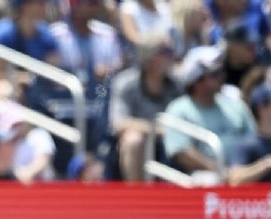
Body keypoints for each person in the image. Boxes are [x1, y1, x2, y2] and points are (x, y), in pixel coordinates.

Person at [164, 46, 255, 178]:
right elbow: (181, 152)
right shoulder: (178, 109)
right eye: (214, 74)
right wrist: (222, 173)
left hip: (244, 175)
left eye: (221, 71)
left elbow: (255, 139)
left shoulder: (236, 105)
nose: (222, 77)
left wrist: (244, 172)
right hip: (204, 180)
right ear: (197, 80)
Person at [108, 35, 180, 181]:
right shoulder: (125, 83)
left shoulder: (177, 85)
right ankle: (137, 197)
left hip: (170, 141)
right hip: (138, 143)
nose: (172, 55)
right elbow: (119, 123)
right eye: (166, 51)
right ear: (149, 57)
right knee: (133, 139)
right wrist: (156, 130)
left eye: (172, 50)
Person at [0, 0, 60, 79]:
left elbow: (52, 73)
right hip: (5, 86)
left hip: (38, 89)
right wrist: (24, 78)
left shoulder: (46, 33)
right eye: (40, 3)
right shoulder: (3, 32)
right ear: (25, 5)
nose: (45, 6)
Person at [230, 84, 271, 184]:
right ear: (261, 109)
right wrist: (266, 164)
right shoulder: (248, 144)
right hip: (260, 198)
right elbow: (235, 179)